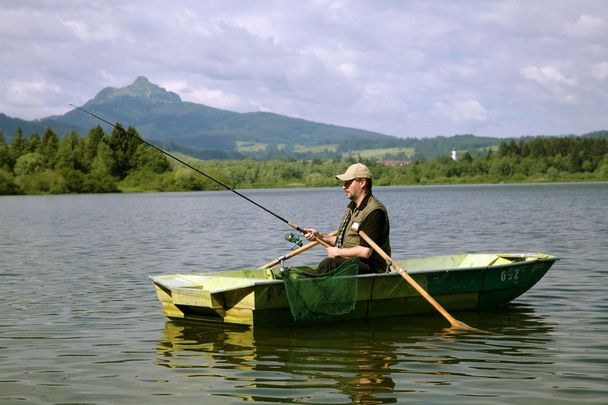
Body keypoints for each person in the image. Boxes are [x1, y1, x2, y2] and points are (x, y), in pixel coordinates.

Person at [304, 163, 391, 274]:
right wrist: (320, 236)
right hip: (351, 263)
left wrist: (338, 252)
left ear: (362, 183)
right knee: (327, 265)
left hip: (372, 268)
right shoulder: (352, 207)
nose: (344, 186)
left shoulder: (375, 212)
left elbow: (365, 251)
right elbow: (342, 242)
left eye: (348, 182)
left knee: (329, 264)